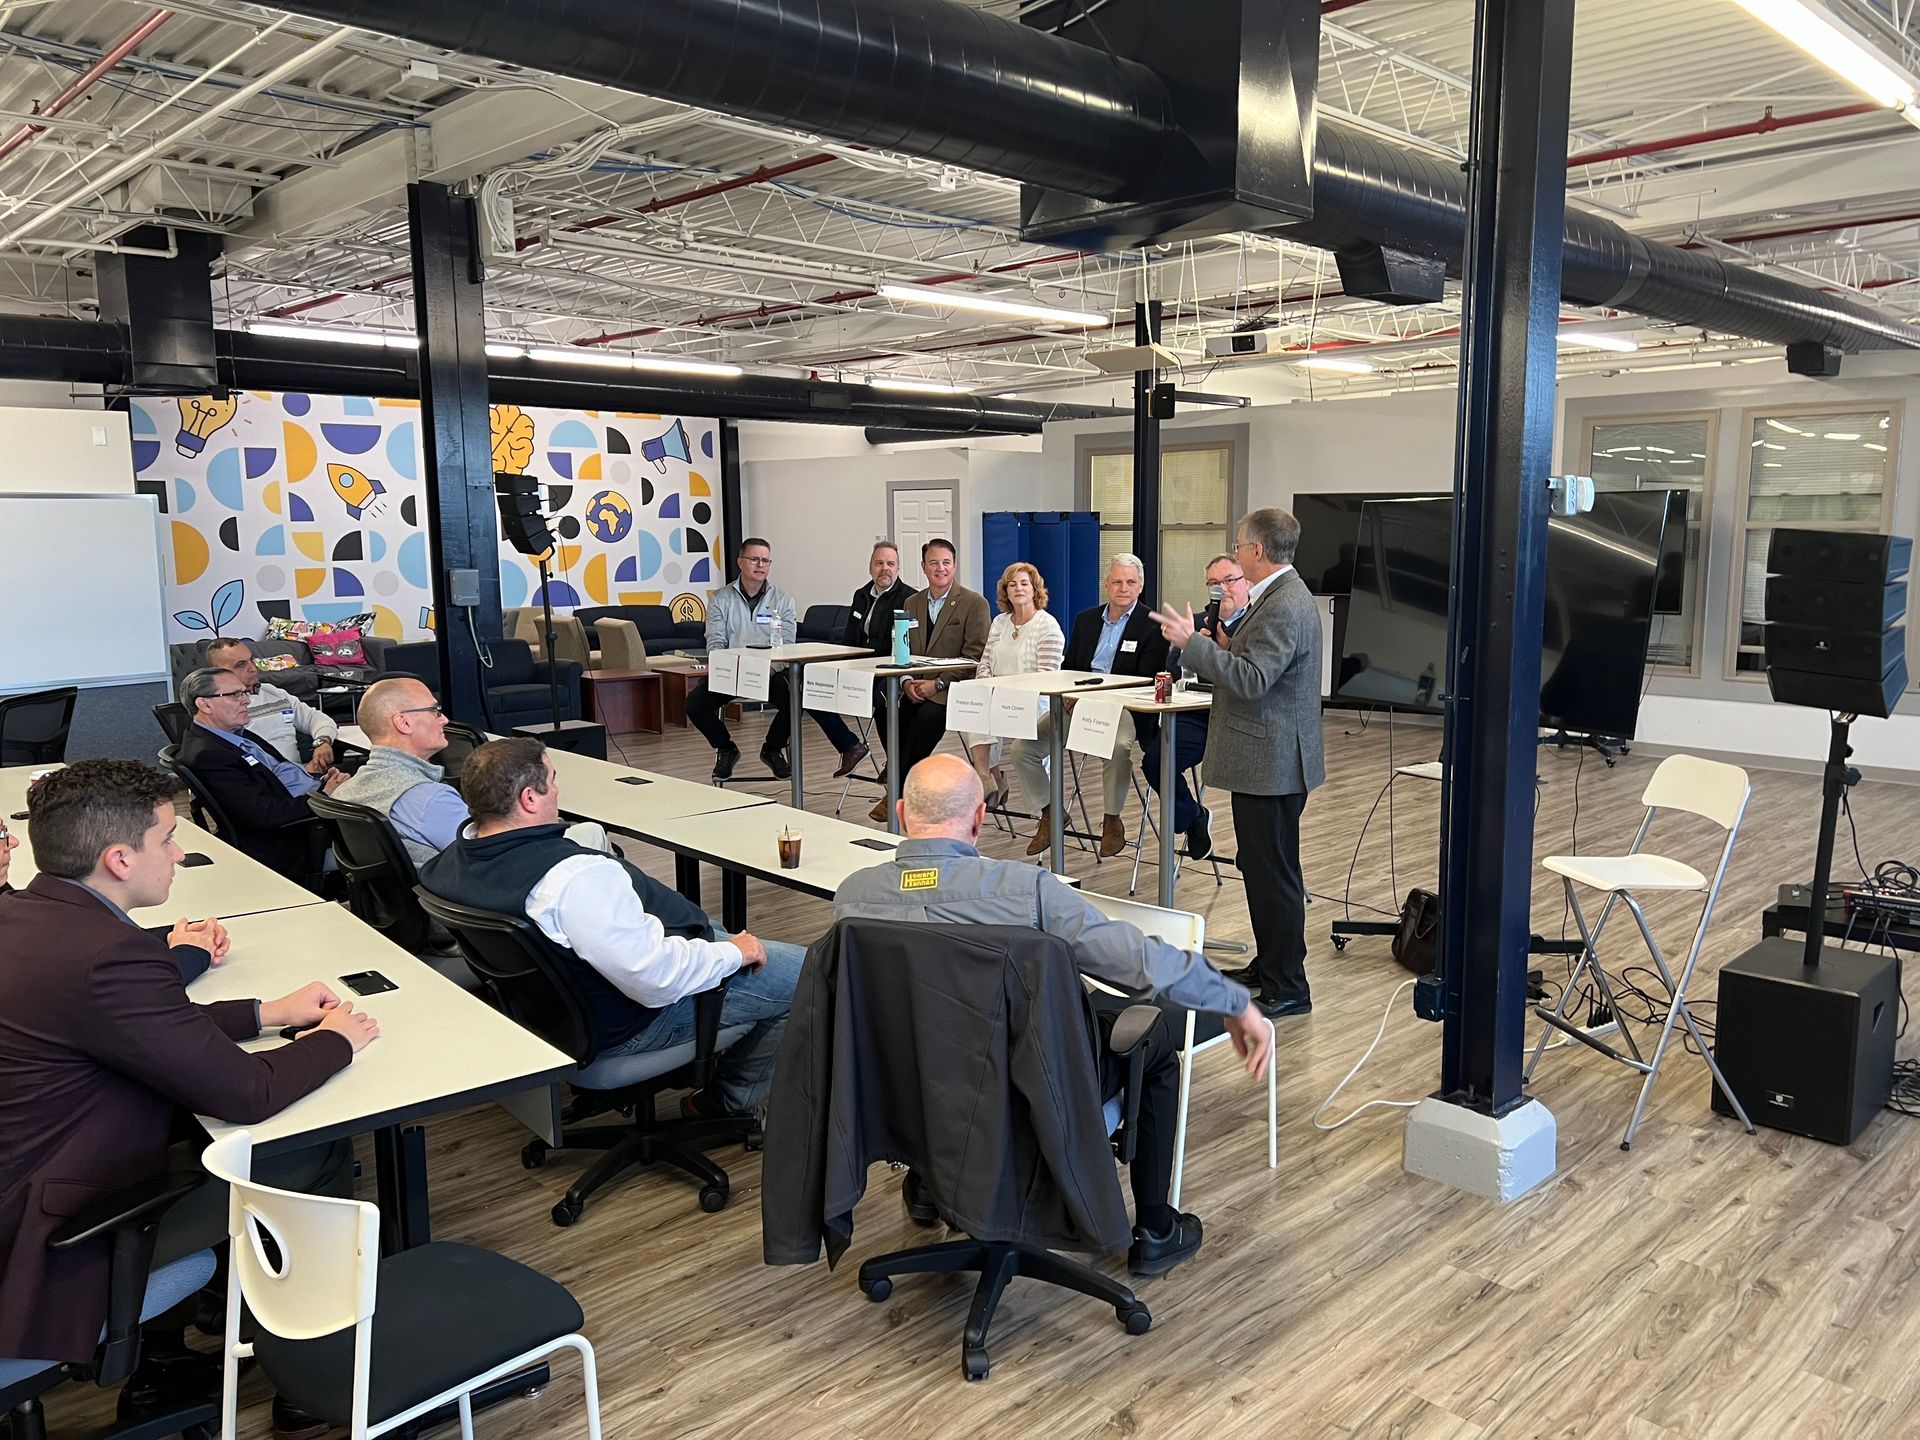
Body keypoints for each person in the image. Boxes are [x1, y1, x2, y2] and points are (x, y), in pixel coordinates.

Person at [0, 759, 378, 1366]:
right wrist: (337, 1039)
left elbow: (134, 1027)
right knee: (307, 1152)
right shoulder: (109, 955)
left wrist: (265, 1011)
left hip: (23, 1177)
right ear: (120, 860)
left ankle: (172, 1350)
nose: (178, 854)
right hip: (51, 1239)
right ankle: (312, 1375)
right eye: (167, 839)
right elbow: (247, 1093)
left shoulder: (23, 913)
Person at [834, 755, 1272, 1278]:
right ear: (978, 819)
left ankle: (931, 1186)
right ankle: (1155, 1230)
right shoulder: (1026, 892)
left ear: (902, 813)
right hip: (1025, 1094)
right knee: (1151, 1042)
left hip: (914, 1092)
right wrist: (1231, 997)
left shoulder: (853, 900)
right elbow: (1135, 961)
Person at [418, 738, 804, 1117]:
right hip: (630, 1023)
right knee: (810, 975)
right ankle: (725, 1104)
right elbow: (654, 978)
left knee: (721, 933)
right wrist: (733, 953)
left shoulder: (449, 864)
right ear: (529, 799)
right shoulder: (573, 878)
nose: (557, 790)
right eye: (551, 780)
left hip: (554, 1013)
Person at [1154, 508, 1325, 1020]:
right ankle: (1271, 966)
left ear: (1257, 550)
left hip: (1272, 760)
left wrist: (1195, 646)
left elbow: (1253, 680)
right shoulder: (1274, 597)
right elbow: (1255, 662)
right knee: (1262, 867)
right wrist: (1220, 644)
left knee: (1273, 873)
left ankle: (1289, 985)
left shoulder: (1282, 604)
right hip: (1266, 756)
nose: (1236, 550)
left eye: (1239, 544)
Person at [1016, 553, 1169, 858]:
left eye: (1130, 582)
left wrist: (1103, 698)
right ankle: (1051, 813)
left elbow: (1145, 681)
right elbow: (1070, 666)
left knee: (1116, 748)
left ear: (1141, 586)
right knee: (1023, 749)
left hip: (1122, 708)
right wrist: (1070, 693)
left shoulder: (1154, 626)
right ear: (1106, 585)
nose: (1123, 588)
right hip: (1078, 706)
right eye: (1116, 581)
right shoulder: (1086, 619)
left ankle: (1112, 820)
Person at [687, 536, 867, 782]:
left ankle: (772, 749)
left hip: (770, 673)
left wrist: (770, 669)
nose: (760, 565)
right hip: (733, 672)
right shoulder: (720, 599)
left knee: (797, 698)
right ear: (741, 562)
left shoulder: (783, 601)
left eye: (765, 560)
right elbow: (715, 641)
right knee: (694, 703)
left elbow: (787, 646)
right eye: (754, 559)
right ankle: (726, 749)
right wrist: (727, 667)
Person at [176, 666, 344, 878]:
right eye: (235, 694)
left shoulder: (232, 735)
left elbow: (276, 775)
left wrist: (319, 781)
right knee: (386, 837)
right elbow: (264, 814)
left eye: (245, 692)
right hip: (294, 839)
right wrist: (325, 797)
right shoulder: (209, 755)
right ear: (204, 704)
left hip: (307, 802)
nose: (247, 700)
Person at [1140, 553, 1253, 863]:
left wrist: (1216, 652)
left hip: (1242, 718)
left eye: (1229, 580)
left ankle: (1254, 847)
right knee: (1156, 761)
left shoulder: (1258, 622)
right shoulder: (1201, 621)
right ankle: (1193, 817)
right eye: (1214, 583)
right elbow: (1172, 670)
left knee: (1249, 774)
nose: (1222, 589)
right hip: (1198, 715)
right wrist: (1194, 647)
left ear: (1246, 583)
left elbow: (1253, 675)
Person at [867, 537, 989, 822]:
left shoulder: (974, 603)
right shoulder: (912, 602)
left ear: (955, 566)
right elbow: (903, 649)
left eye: (946, 562)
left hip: (953, 689)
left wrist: (938, 683)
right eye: (934, 562)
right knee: (886, 708)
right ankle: (907, 786)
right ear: (923, 567)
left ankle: (896, 791)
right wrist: (907, 680)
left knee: (926, 718)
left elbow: (974, 658)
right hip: (915, 686)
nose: (940, 568)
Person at [331, 676, 466, 866]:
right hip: (451, 893)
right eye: (434, 710)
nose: (444, 719)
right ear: (403, 722)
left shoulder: (343, 792)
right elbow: (494, 857)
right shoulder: (430, 799)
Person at [965, 562, 1063, 810]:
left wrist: (1008, 691)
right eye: (1012, 584)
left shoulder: (1047, 625)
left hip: (1033, 702)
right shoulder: (1000, 622)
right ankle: (986, 777)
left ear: (1034, 589)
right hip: (998, 698)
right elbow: (985, 663)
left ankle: (1047, 811)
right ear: (1005, 591)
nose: (1018, 588)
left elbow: (1047, 677)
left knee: (992, 706)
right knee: (974, 702)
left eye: (1024, 583)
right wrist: (986, 683)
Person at [205, 636, 339, 774]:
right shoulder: (222, 708)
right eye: (241, 664)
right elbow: (238, 765)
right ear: (217, 673)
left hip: (300, 776)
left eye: (252, 660)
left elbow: (316, 718)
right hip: (269, 784)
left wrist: (322, 742)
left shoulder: (274, 693)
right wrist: (301, 773)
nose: (253, 668)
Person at [842, 539, 919, 657]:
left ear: (897, 569)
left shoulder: (910, 598)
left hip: (889, 667)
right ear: (870, 568)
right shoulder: (860, 596)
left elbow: (913, 645)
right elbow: (849, 637)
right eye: (879, 563)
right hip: (856, 664)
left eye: (890, 564)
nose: (885, 568)